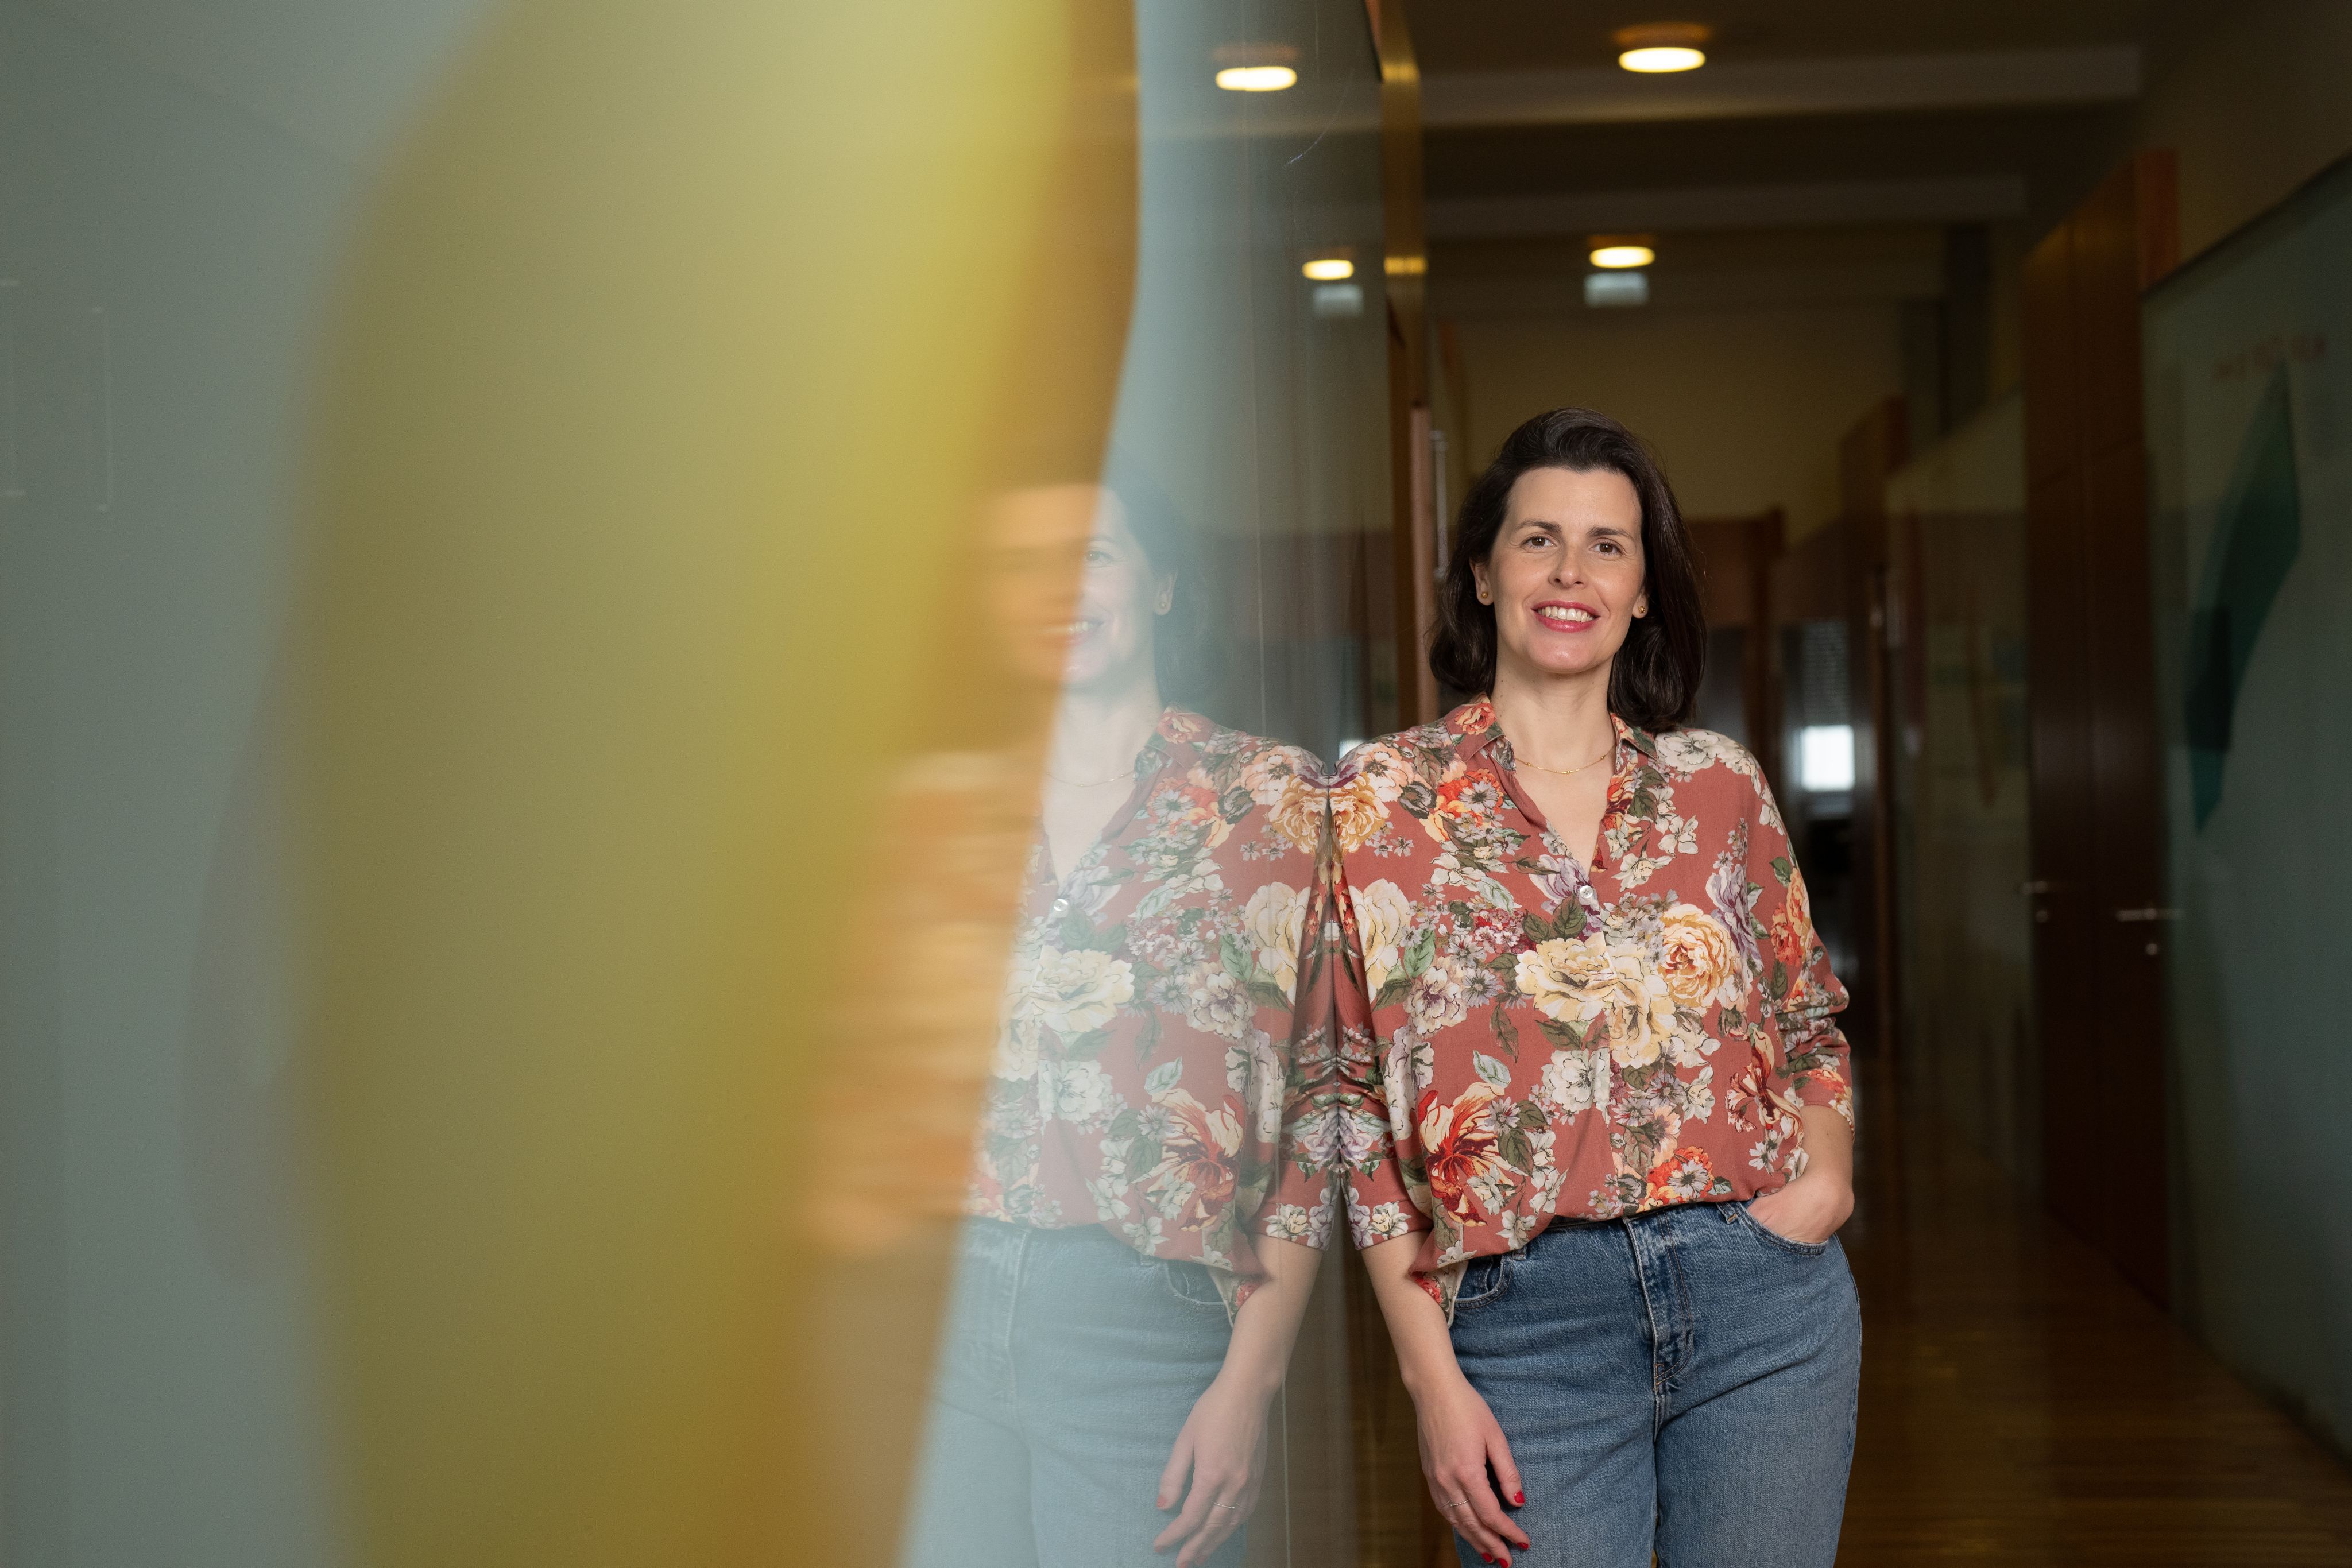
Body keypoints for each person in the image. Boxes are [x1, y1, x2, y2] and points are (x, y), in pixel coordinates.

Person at [1329, 408, 1860, 1567]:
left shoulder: (1717, 785)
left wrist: (1823, 1180)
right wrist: (1429, 1378)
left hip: (1759, 1295)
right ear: (1480, 571)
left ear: (1641, 592)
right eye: (1536, 540)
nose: (1570, 572)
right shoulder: (1379, 799)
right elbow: (1354, 1109)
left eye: (1607, 546)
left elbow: (1806, 1015)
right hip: (1525, 1323)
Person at [897, 460, 1337, 1568]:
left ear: (1161, 586)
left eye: (1092, 554)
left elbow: (1325, 1114)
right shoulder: (937, 811)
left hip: (1146, 1326)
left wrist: (1252, 1379)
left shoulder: (1269, 801)